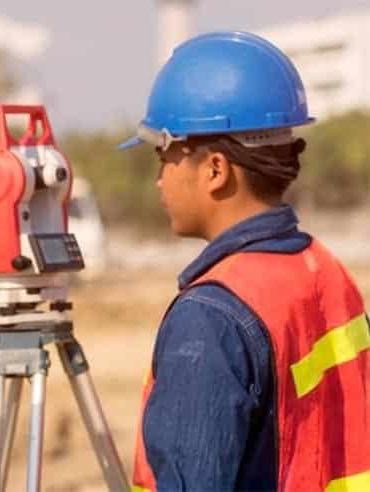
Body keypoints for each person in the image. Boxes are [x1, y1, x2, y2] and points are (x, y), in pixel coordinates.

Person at [120, 31, 370, 491]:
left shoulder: (211, 318)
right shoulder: (323, 269)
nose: (159, 180)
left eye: (166, 157)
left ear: (215, 169)